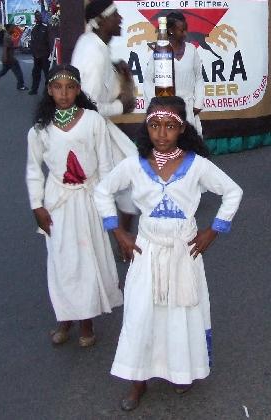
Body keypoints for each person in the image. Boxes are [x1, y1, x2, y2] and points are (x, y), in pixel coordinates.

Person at [94, 96, 243, 411]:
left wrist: (212, 230)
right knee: (140, 314)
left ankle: (181, 371)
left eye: (170, 127)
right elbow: (102, 190)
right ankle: (138, 381)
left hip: (183, 252)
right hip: (146, 251)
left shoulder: (197, 165)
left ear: (182, 129)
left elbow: (232, 191)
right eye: (155, 125)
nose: (162, 134)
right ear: (146, 128)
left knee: (181, 313)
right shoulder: (134, 164)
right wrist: (118, 231)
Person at [26, 64, 123, 346]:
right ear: (49, 91)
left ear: (78, 90)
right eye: (58, 87)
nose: (64, 93)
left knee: (87, 259)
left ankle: (86, 324)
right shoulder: (39, 130)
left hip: (89, 198)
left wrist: (107, 204)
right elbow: (34, 170)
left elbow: (105, 165)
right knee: (62, 262)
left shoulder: (93, 121)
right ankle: (64, 318)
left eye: (70, 88)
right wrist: (37, 206)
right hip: (58, 202)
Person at [71, 0, 138, 226]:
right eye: (115, 15)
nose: (120, 19)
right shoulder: (94, 52)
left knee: (130, 174)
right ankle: (120, 236)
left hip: (97, 126)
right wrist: (121, 105)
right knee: (122, 178)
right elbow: (84, 106)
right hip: (88, 131)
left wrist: (124, 79)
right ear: (100, 21)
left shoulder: (95, 44)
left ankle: (122, 236)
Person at [144, 12, 204, 135]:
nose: (185, 33)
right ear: (170, 30)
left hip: (188, 109)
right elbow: (148, 80)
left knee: (189, 148)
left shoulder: (191, 50)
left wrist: (198, 103)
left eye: (186, 30)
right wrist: (156, 105)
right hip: (167, 110)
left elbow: (199, 78)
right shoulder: (161, 51)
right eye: (182, 30)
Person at [0, 24, 28, 91]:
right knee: (18, 72)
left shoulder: (8, 35)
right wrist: (5, 57)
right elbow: (5, 47)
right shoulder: (7, 37)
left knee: (2, 72)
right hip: (10, 59)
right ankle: (20, 86)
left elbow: (11, 46)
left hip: (9, 58)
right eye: (13, 28)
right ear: (9, 29)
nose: (14, 29)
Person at [28, 10, 50, 95]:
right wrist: (33, 52)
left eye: (39, 16)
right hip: (36, 56)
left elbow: (49, 41)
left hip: (44, 55)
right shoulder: (34, 28)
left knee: (47, 74)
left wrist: (50, 53)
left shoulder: (46, 27)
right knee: (35, 74)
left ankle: (47, 91)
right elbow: (33, 42)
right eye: (36, 16)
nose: (38, 17)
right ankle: (34, 89)